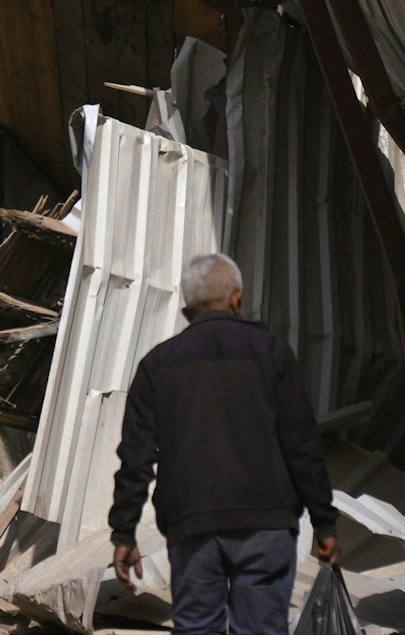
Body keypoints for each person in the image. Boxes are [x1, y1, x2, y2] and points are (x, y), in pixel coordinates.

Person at [109, 253, 337, 635]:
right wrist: (325, 523)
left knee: (197, 628)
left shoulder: (157, 365)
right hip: (266, 525)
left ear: (187, 312)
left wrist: (124, 532)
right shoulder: (271, 352)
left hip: (192, 527)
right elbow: (302, 445)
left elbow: (136, 457)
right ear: (236, 299)